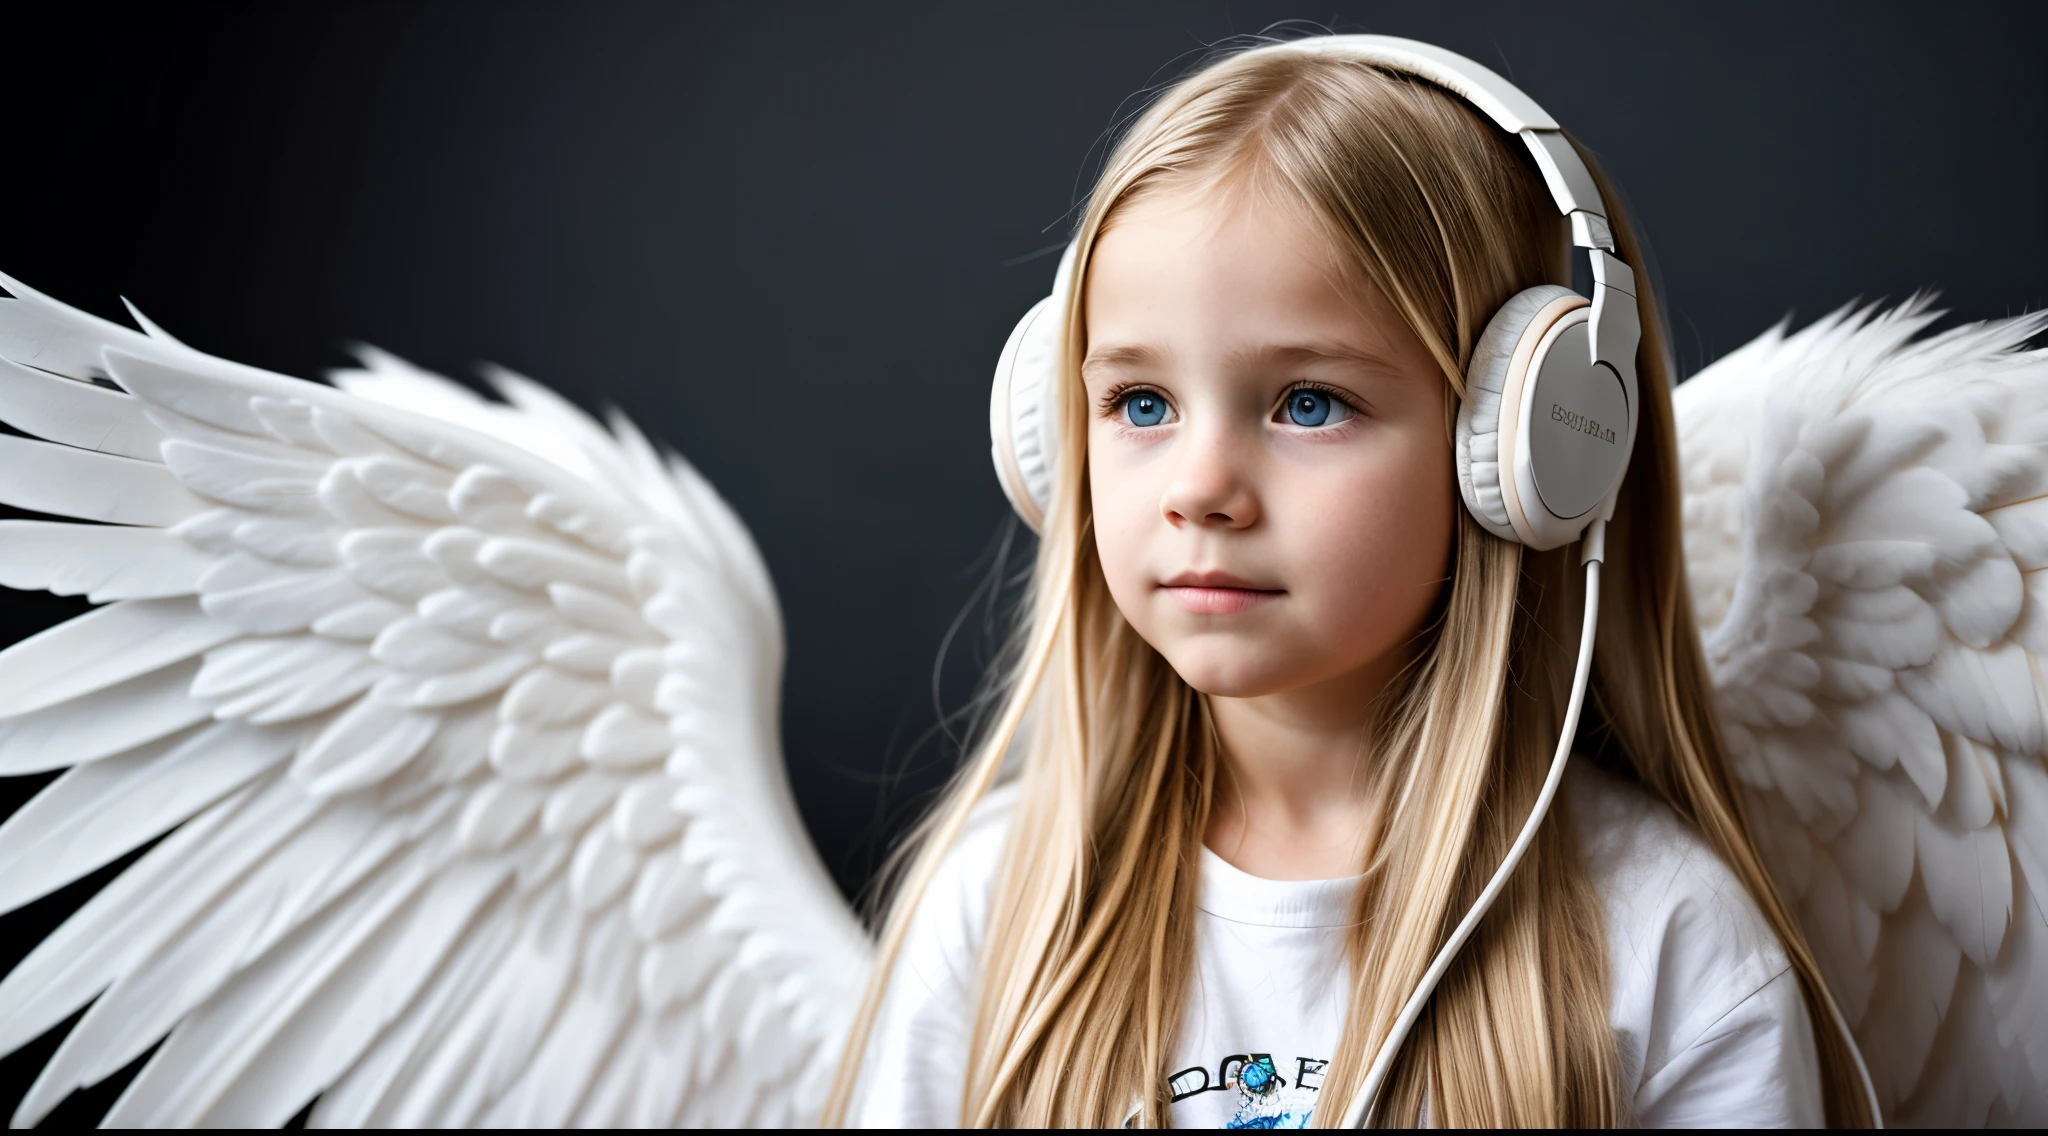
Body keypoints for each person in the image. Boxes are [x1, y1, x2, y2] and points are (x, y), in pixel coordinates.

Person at [824, 35, 1873, 1128]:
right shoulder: (1000, 910)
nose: (1200, 488)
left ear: (1520, 449)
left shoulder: (1665, 946)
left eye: (1307, 402)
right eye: (1140, 403)